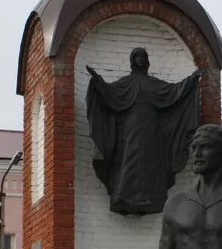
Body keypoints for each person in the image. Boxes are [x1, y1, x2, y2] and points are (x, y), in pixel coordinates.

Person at [86, 47, 202, 214]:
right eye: (137, 56)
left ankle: (152, 197)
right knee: (128, 159)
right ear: (132, 60)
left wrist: (191, 79)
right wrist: (97, 80)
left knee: (151, 161)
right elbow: (110, 93)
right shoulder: (125, 83)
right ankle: (123, 196)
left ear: (147, 61)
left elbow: (174, 91)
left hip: (150, 128)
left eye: (143, 56)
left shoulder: (154, 84)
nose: (140, 59)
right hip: (129, 129)